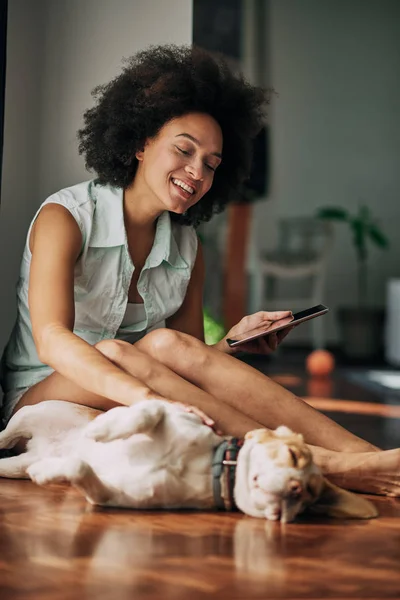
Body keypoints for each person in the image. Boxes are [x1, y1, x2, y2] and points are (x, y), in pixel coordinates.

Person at [0, 45, 399, 497]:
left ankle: (367, 456)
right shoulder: (66, 217)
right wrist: (144, 398)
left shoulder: (187, 243)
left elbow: (185, 360)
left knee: (167, 344)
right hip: (39, 394)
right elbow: (53, 339)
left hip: (137, 383)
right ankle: (326, 463)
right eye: (184, 150)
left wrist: (232, 343)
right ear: (140, 142)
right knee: (133, 349)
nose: (197, 172)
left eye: (211, 165)